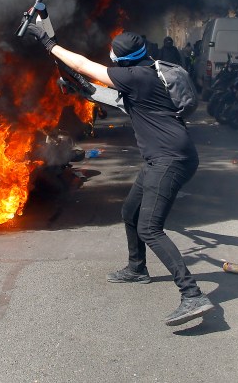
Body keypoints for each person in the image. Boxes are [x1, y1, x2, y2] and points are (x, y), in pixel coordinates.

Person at [25, 18, 214, 327]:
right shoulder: (150, 71)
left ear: (121, 60)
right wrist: (74, 81)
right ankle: (137, 268)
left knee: (150, 228)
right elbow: (101, 91)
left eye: (113, 54)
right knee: (130, 212)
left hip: (171, 159)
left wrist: (49, 43)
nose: (109, 58)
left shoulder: (136, 77)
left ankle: (192, 295)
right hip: (163, 158)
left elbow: (88, 67)